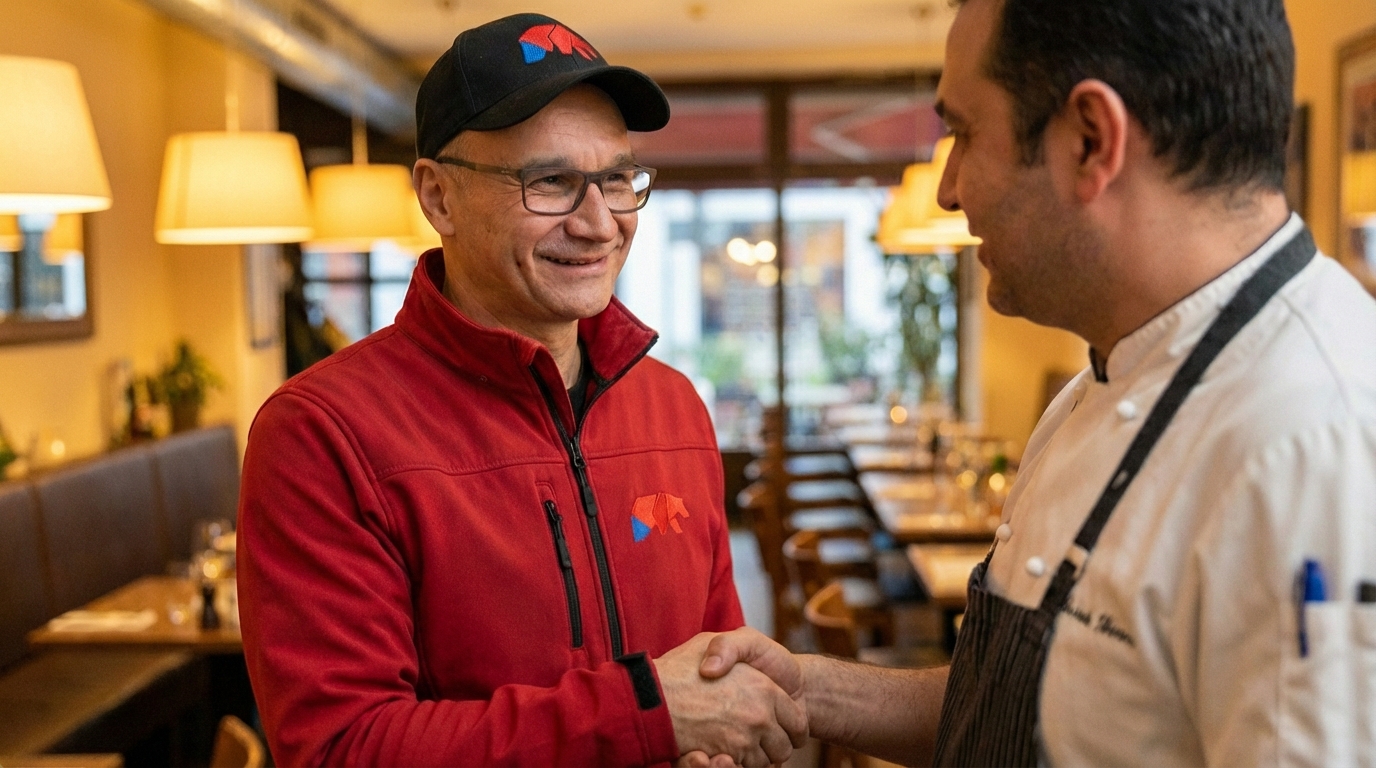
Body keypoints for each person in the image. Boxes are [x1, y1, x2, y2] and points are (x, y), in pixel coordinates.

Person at [699, 0, 1376, 765]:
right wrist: (810, 690)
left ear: (1091, 140)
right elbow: (1032, 707)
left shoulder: (1316, 442)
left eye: (964, 132)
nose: (949, 190)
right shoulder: (1100, 381)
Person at [237, 13, 806, 767]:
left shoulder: (674, 406)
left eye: (617, 179)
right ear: (438, 198)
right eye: (552, 183)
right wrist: (644, 715)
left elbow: (718, 670)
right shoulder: (320, 432)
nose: (600, 223)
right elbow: (344, 747)